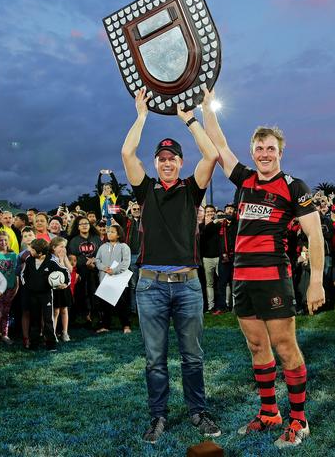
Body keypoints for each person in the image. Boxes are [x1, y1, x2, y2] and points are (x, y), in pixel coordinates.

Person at [200, 87, 325, 449]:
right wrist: (207, 108)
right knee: (257, 347)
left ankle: (299, 420)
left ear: (280, 152)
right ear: (253, 153)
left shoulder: (293, 187)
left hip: (275, 279)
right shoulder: (245, 180)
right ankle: (269, 412)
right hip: (242, 279)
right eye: (259, 148)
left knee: (285, 346)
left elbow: (315, 237)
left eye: (271, 148)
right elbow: (219, 144)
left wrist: (315, 282)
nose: (264, 153)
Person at [121, 87, 220, 443]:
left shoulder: (192, 190)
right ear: (156, 162)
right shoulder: (145, 189)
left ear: (180, 162)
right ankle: (158, 416)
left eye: (172, 158)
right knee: (154, 359)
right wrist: (142, 114)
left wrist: (190, 118)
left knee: (193, 356)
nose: (166, 162)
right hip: (150, 285)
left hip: (188, 283)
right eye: (161, 157)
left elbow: (211, 154)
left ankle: (197, 411)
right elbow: (126, 151)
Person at [20, 239, 66, 351]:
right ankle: (34, 343)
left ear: (40, 253)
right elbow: (23, 275)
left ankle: (51, 344)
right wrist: (28, 286)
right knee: (34, 319)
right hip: (32, 295)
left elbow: (64, 272)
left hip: (46, 295)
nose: (30, 250)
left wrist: (64, 283)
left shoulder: (51, 261)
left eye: (32, 249)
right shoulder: (29, 260)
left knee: (48, 319)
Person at [95, 224, 132, 333]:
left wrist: (114, 271)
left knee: (122, 304)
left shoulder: (124, 247)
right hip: (105, 279)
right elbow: (97, 260)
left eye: (112, 232)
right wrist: (104, 268)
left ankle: (126, 325)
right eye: (108, 231)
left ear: (119, 235)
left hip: (119, 280)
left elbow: (126, 263)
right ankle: (105, 326)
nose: (109, 233)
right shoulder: (103, 247)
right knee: (105, 304)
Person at [67, 217, 101, 328]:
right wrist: (86, 262)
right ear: (78, 227)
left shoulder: (96, 238)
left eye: (86, 223)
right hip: (82, 271)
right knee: (83, 293)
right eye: (81, 224)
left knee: (96, 292)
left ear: (90, 225)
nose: (84, 225)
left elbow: (102, 253)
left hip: (96, 270)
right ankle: (85, 315)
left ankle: (97, 314)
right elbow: (73, 257)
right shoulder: (74, 240)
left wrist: (94, 261)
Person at [0, 231, 18, 345]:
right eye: (0, 240)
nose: (3, 242)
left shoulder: (14, 256)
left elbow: (16, 274)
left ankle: (5, 334)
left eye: (5, 240)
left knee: (6, 313)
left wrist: (16, 288)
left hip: (10, 288)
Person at [49, 237, 73, 341]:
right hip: (54, 288)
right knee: (55, 311)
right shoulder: (50, 258)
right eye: (61, 246)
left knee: (64, 310)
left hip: (65, 287)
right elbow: (58, 270)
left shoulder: (64, 257)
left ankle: (65, 332)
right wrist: (60, 260)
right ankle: (52, 333)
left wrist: (63, 259)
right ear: (54, 247)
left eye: (65, 247)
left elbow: (69, 269)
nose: (63, 249)